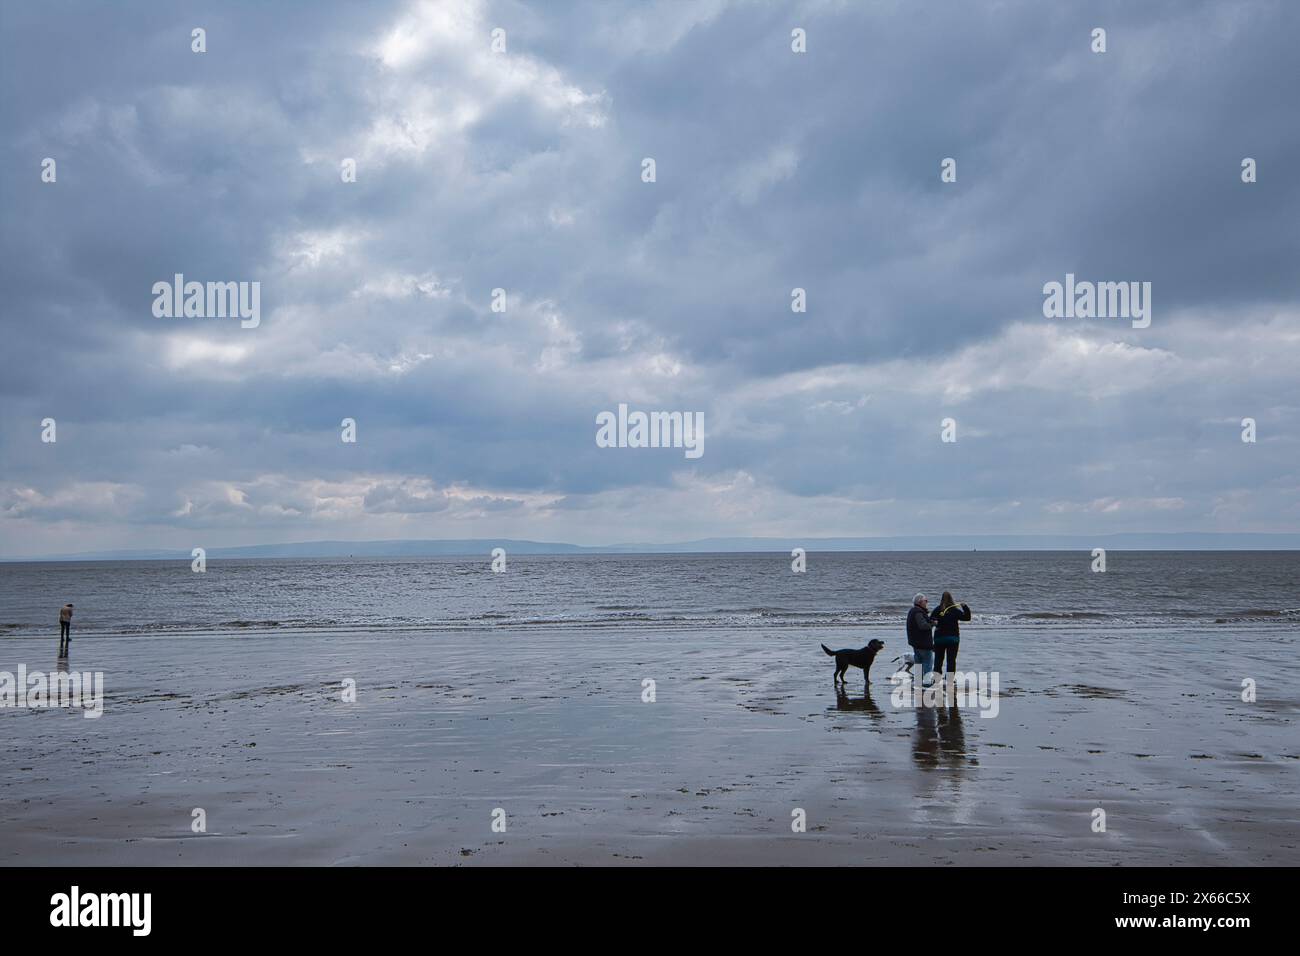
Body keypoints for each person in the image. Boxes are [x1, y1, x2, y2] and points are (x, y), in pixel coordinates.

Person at [930, 591, 971, 679]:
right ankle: (949, 679)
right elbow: (967, 618)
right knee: (951, 660)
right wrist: (965, 606)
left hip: (939, 639)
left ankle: (936, 677)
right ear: (951, 599)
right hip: (953, 639)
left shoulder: (937, 609)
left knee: (938, 660)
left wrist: (935, 622)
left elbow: (930, 621)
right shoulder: (955, 610)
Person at [906, 593, 935, 686]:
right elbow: (923, 626)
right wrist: (933, 623)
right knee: (927, 664)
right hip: (923, 643)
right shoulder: (918, 612)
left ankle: (918, 683)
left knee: (919, 664)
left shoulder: (913, 611)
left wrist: (930, 621)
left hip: (916, 643)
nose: (927, 602)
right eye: (925, 601)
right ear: (920, 602)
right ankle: (927, 684)